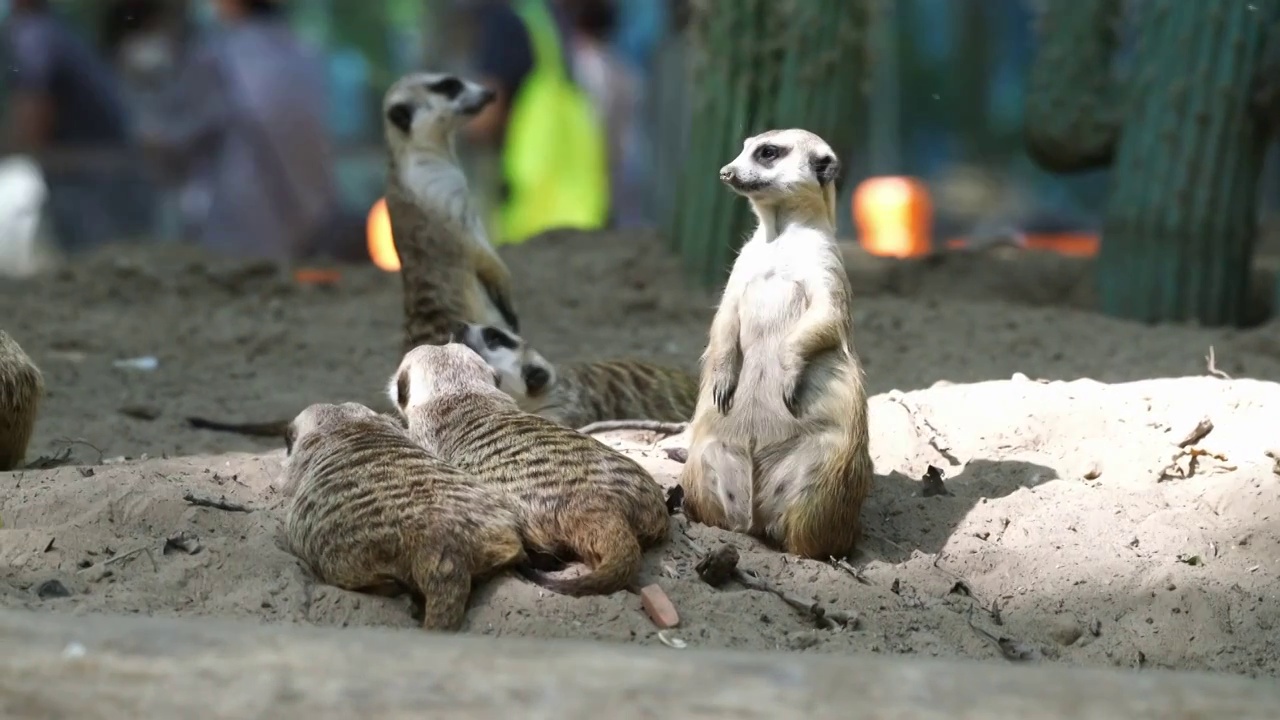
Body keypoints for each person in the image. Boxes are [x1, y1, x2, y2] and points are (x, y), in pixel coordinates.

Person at [138, 0, 343, 263]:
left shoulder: (218, 57)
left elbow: (169, 140)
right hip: (305, 230)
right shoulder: (308, 54)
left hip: (236, 233)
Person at [0, 0, 150, 252]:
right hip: (104, 174)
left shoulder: (35, 33)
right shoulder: (58, 30)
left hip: (93, 179)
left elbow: (33, 112)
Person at [463, 0, 610, 244]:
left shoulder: (506, 23)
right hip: (579, 210)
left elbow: (487, 117)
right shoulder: (551, 21)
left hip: (530, 213)